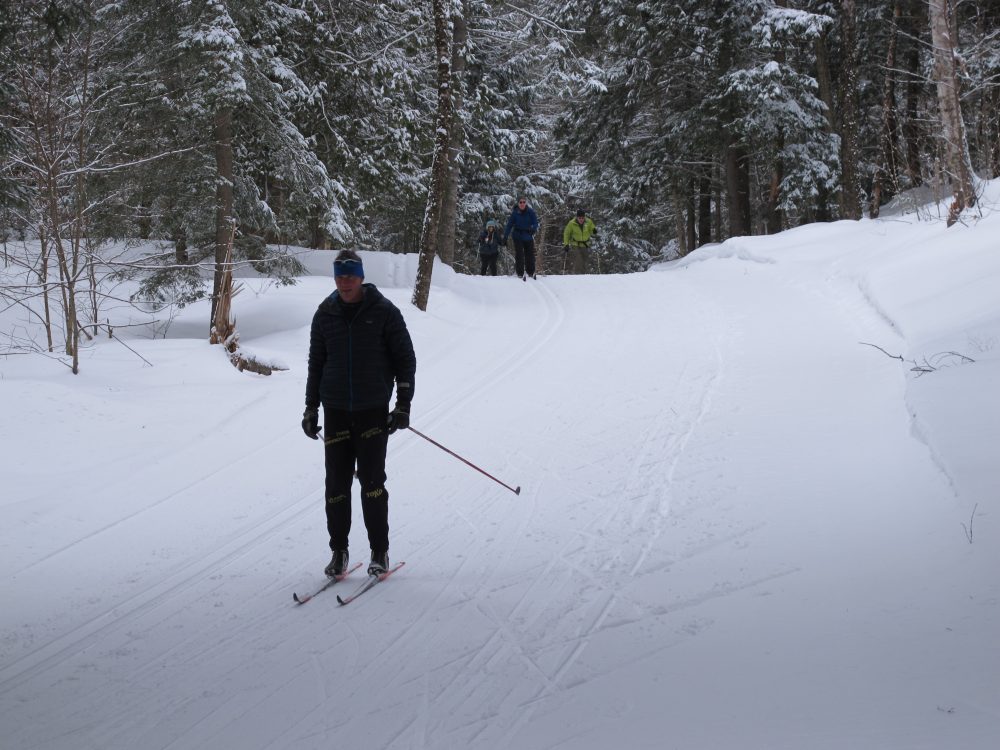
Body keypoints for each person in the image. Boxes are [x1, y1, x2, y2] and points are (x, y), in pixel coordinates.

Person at [302, 249, 416, 579]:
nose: (344, 282)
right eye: (339, 276)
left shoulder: (384, 311)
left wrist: (403, 405)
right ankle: (339, 552)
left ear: (362, 276)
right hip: (335, 410)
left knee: (371, 484)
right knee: (336, 486)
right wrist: (311, 407)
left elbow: (405, 360)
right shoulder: (325, 313)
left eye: (350, 276)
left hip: (371, 412)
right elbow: (316, 365)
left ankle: (379, 551)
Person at [502, 196, 539, 280]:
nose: (522, 204)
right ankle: (520, 272)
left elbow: (535, 222)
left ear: (526, 203)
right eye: (520, 202)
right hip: (517, 235)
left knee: (530, 254)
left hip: (528, 235)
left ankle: (530, 271)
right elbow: (509, 225)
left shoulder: (530, 212)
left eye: (523, 202)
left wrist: (533, 229)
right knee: (519, 254)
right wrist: (505, 237)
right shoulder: (515, 213)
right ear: (518, 204)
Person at [562, 209, 597, 274]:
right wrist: (566, 244)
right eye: (579, 218)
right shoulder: (571, 223)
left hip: (585, 244)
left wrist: (594, 230)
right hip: (575, 244)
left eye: (582, 218)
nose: (581, 219)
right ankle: (578, 276)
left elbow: (592, 228)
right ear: (577, 217)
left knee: (585, 261)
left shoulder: (588, 222)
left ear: (584, 217)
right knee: (578, 260)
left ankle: (583, 276)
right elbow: (566, 234)